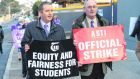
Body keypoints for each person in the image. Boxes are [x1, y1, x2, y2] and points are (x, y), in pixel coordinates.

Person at [21, 1, 81, 79]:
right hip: (37, 73)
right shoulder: (30, 27)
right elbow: (24, 44)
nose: (50, 13)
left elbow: (64, 50)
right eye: (47, 11)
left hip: (55, 73)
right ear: (40, 13)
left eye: (51, 11)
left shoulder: (60, 29)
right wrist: (25, 46)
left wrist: (72, 46)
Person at [72, 0, 112, 79]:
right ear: (84, 9)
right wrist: (73, 44)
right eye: (89, 7)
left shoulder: (105, 22)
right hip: (86, 66)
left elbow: (111, 41)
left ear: (97, 8)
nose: (92, 9)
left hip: (101, 65)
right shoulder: (78, 24)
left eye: (94, 7)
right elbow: (71, 44)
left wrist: (120, 44)